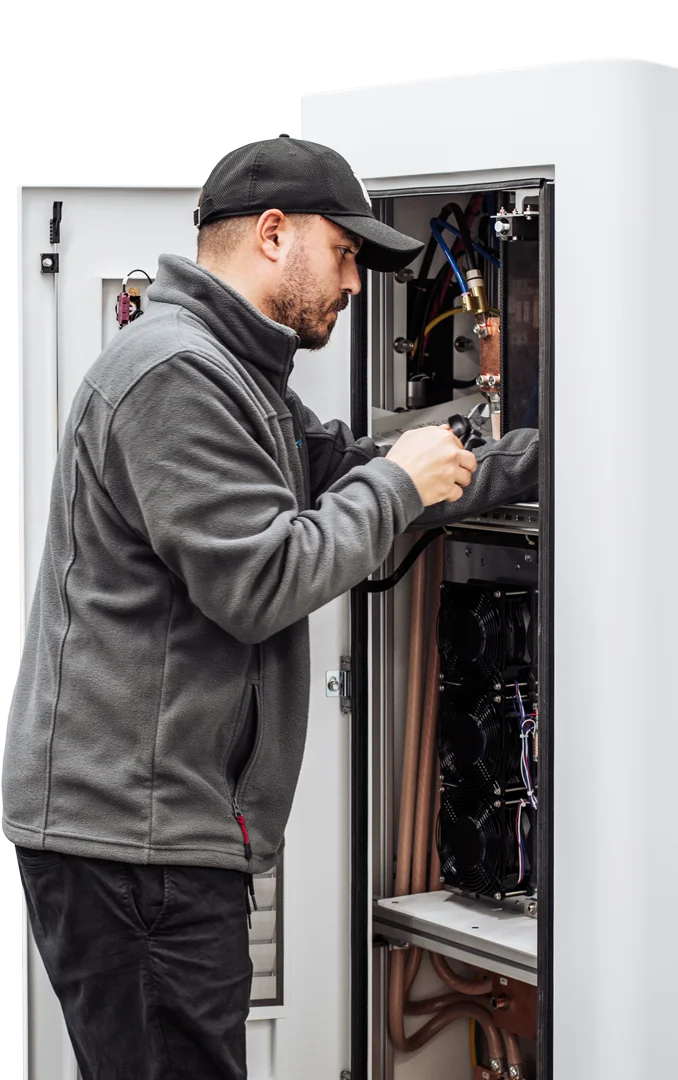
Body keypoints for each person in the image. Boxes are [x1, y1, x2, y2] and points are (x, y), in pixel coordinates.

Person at [2, 137, 538, 1079]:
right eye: (344, 254)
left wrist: (556, 450)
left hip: (163, 838)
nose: (356, 285)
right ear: (275, 233)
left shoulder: (235, 373)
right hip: (136, 849)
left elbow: (352, 471)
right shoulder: (173, 374)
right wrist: (400, 491)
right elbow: (260, 581)